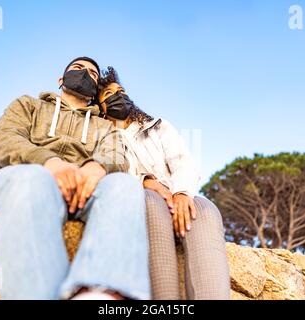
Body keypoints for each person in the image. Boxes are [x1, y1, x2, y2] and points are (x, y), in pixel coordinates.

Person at [0, 57, 151, 300]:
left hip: (82, 189)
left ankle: (99, 292)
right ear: (61, 80)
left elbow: (116, 153)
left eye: (93, 74)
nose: (85, 73)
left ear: (95, 91)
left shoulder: (104, 126)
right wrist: (50, 163)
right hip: (27, 177)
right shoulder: (28, 105)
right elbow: (5, 138)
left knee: (124, 185)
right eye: (78, 68)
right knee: (32, 179)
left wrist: (95, 167)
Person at [98, 67, 230, 300]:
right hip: (143, 201)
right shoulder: (101, 136)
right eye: (109, 94)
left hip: (175, 197)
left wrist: (180, 193)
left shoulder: (157, 126)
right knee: (151, 201)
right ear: (101, 107)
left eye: (122, 91)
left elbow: (183, 162)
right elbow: (110, 174)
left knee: (205, 208)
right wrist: (146, 182)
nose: (119, 96)